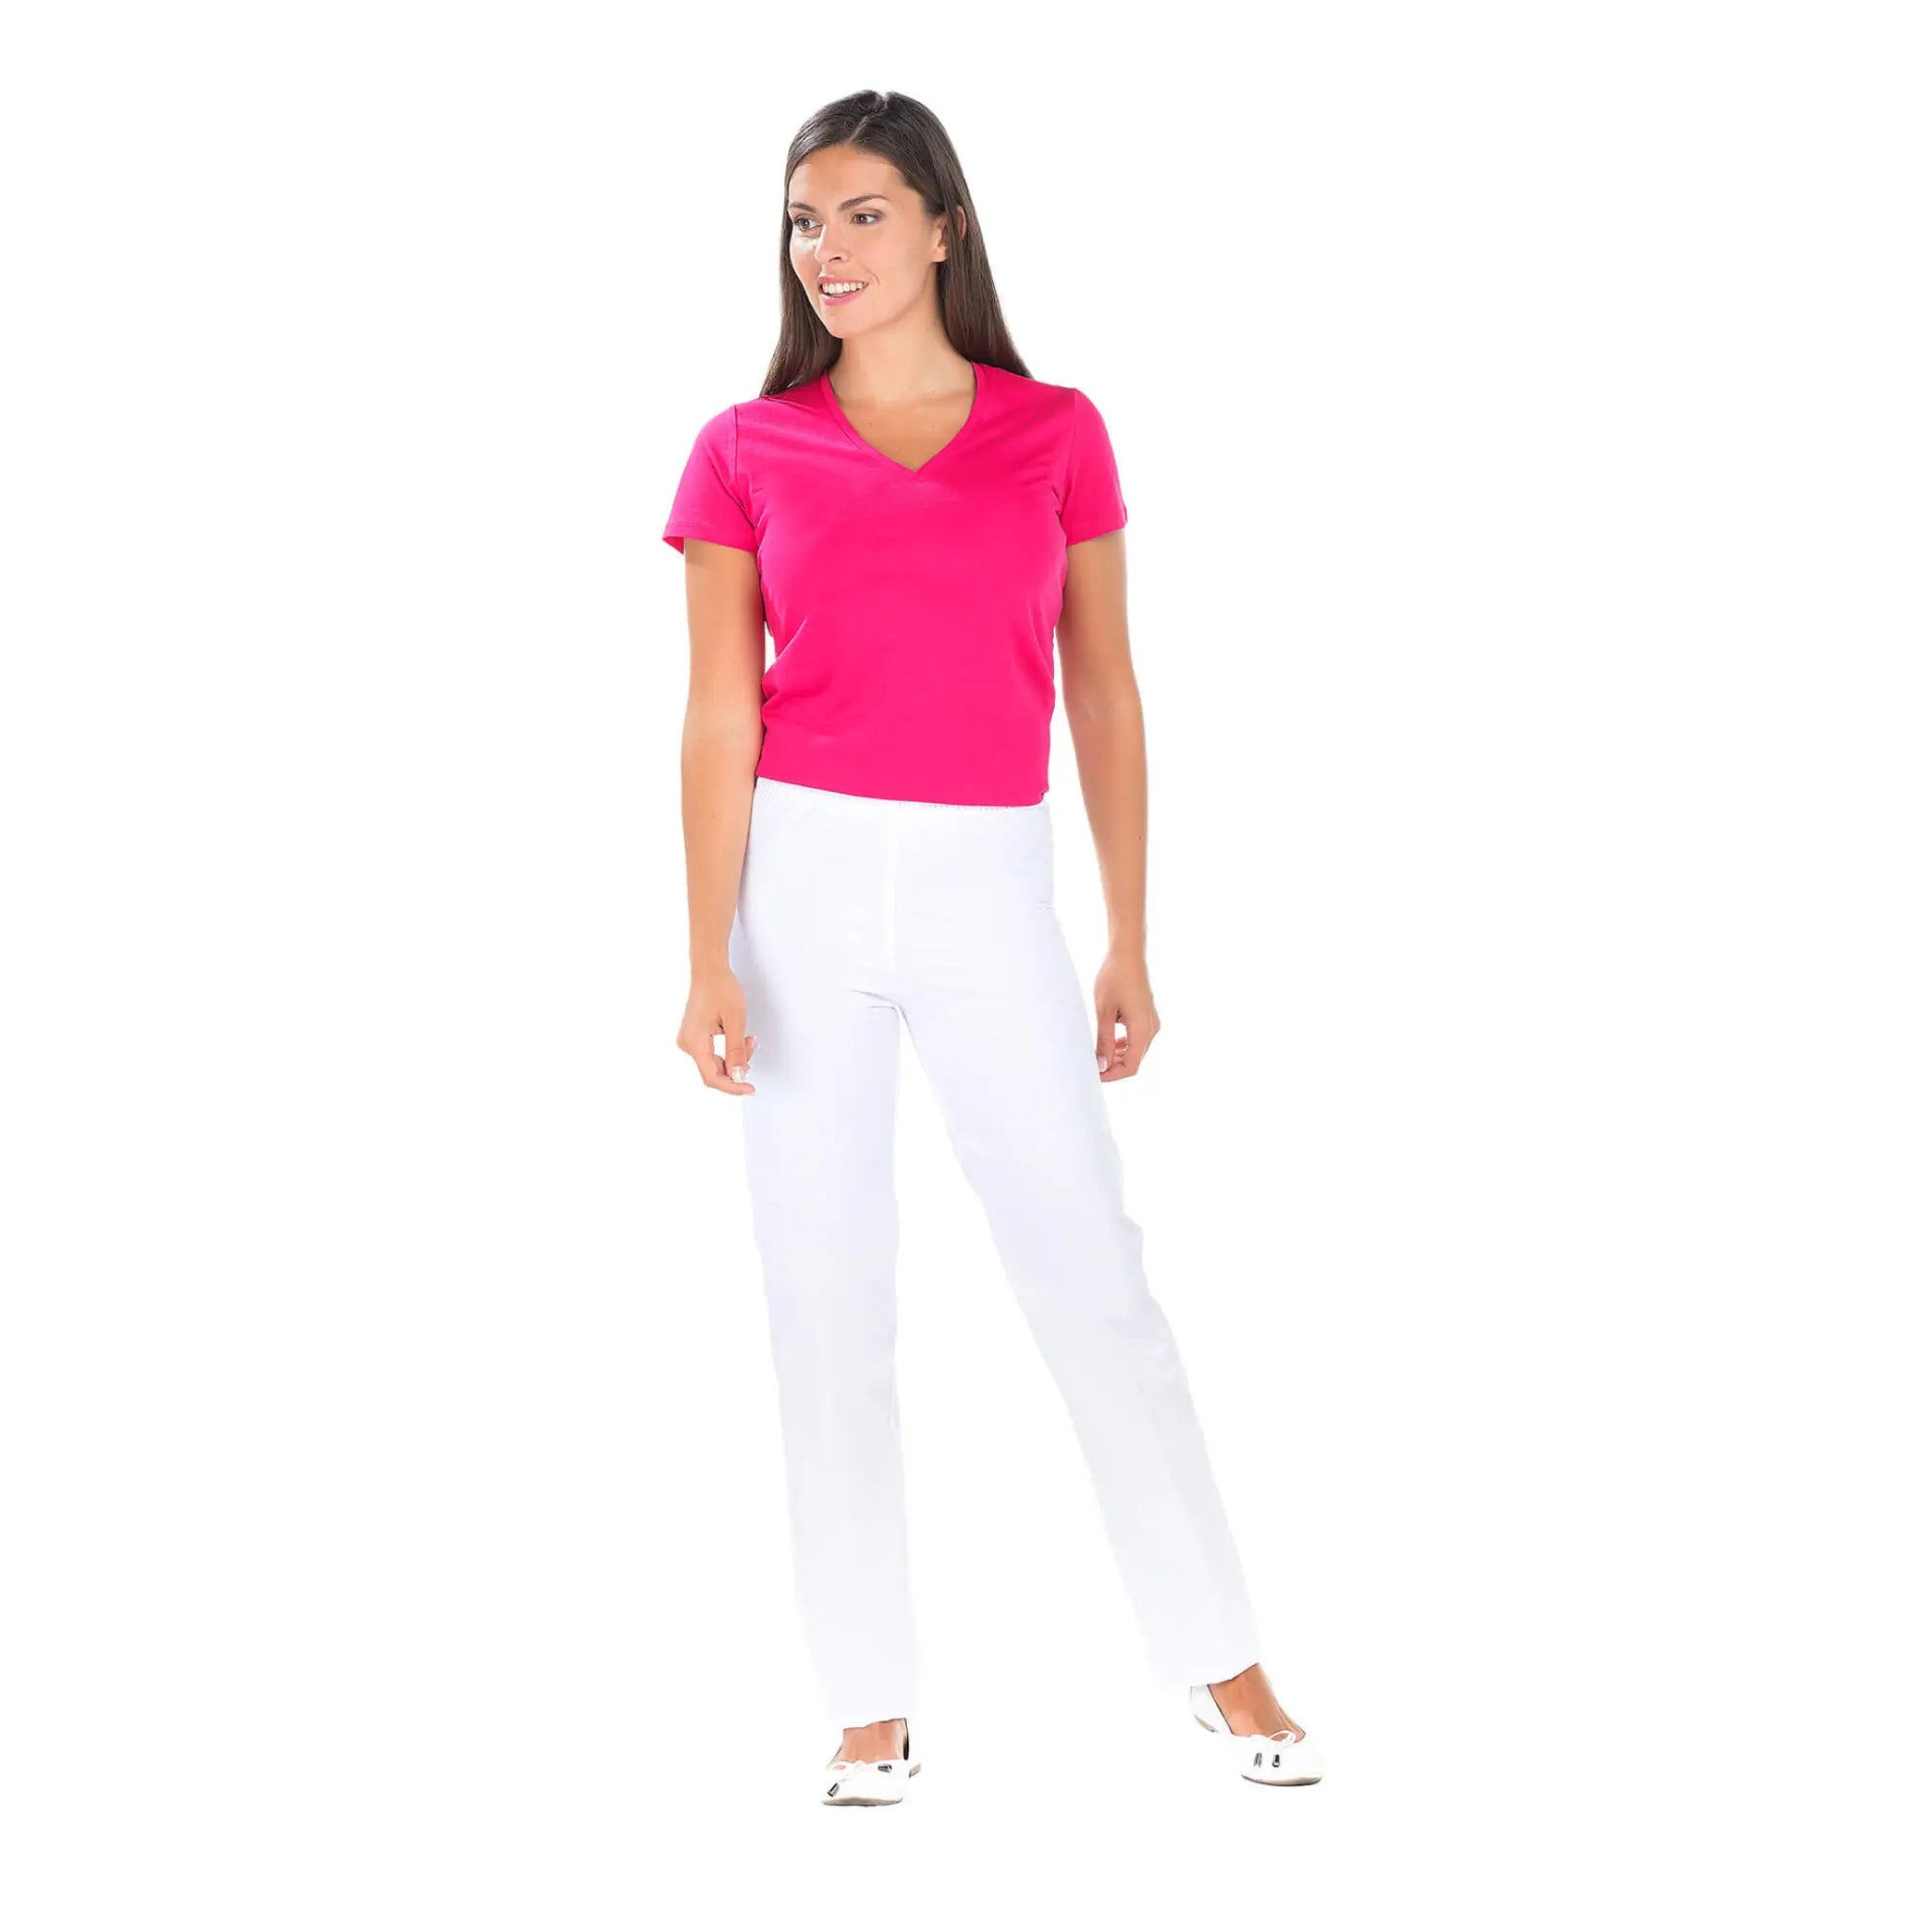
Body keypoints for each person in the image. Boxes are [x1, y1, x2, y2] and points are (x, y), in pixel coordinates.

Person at [664, 89, 1324, 1804]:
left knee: (1090, 1272)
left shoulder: (1056, 431)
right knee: (823, 1290)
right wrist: (708, 952)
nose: (825, 249)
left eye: (863, 213)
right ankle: (865, 1701)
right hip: (802, 884)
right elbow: (721, 710)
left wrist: (1130, 934)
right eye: (803, 220)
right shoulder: (744, 445)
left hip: (990, 882)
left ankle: (1222, 1657)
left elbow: (1104, 688)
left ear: (945, 226)